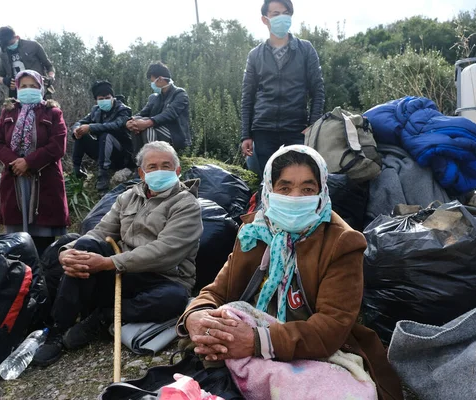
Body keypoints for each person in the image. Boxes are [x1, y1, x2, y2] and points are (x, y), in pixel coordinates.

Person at [177, 145, 403, 399]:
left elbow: (331, 326)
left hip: (311, 349)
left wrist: (256, 341)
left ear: (321, 192)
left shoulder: (342, 242)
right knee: (221, 321)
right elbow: (217, 292)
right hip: (247, 335)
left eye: (307, 189)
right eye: (284, 188)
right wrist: (195, 317)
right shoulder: (254, 232)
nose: (295, 197)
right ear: (269, 190)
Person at [33, 141, 203, 366]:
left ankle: (102, 318)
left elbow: (164, 252)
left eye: (166, 165)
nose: (159, 171)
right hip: (123, 271)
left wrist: (107, 263)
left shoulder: (186, 204)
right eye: (152, 167)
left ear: (177, 170)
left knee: (174, 299)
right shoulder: (127, 197)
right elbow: (100, 232)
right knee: (84, 247)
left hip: (163, 278)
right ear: (141, 173)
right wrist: (66, 252)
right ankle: (58, 330)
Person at [240, 0, 325, 174]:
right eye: (275, 14)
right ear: (265, 19)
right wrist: (245, 135)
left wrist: (313, 126)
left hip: (297, 129)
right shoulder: (255, 55)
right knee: (267, 181)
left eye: (286, 13)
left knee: (297, 179)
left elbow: (318, 90)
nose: (282, 18)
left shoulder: (306, 49)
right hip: (263, 129)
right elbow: (247, 97)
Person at [0, 70, 70, 255]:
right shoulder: (8, 112)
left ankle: (43, 275)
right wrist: (15, 163)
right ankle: (23, 278)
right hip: (15, 177)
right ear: (17, 88)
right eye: (24, 86)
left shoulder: (52, 112)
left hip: (44, 178)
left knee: (43, 237)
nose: (28, 90)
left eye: (33, 86)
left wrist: (29, 162)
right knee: (17, 242)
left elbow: (58, 145)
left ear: (41, 88)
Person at [71, 81, 133, 192]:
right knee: (82, 134)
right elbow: (80, 122)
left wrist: (91, 127)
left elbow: (116, 125)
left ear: (113, 97)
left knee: (106, 135)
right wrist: (76, 130)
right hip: (102, 151)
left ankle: (103, 176)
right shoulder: (96, 110)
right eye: (101, 98)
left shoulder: (123, 110)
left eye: (107, 97)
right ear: (96, 100)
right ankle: (77, 169)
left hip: (120, 154)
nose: (104, 100)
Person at [126, 62, 191, 154]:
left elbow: (170, 114)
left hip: (174, 134)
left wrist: (148, 123)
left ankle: (153, 159)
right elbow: (143, 113)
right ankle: (138, 161)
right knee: (137, 123)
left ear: (160, 79)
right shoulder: (155, 97)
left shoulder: (180, 94)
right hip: (157, 129)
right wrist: (131, 121)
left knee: (148, 127)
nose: (152, 84)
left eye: (152, 81)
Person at [0, 26, 55, 99]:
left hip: (39, 92)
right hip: (18, 96)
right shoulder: (4, 54)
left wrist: (50, 78)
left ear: (17, 37)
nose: (9, 46)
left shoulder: (33, 46)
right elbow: (0, 77)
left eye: (11, 43)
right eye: (7, 45)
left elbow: (49, 66)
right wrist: (6, 81)